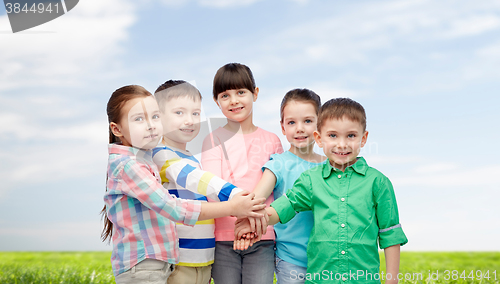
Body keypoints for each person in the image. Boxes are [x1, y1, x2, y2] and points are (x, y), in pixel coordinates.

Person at [100, 85, 267, 284]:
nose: (151, 125)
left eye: (154, 117)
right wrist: (236, 202)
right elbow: (183, 194)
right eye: (139, 119)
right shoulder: (151, 157)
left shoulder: (158, 158)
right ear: (116, 129)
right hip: (165, 261)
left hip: (189, 259)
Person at [236, 97, 408, 284]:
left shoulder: (379, 183)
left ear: (363, 138)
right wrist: (254, 222)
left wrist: (392, 281)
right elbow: (284, 207)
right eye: (333, 136)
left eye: (351, 135)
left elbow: (390, 234)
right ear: (319, 138)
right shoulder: (311, 180)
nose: (342, 144)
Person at [152, 80, 255, 284]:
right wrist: (234, 196)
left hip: (203, 260)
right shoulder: (160, 154)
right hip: (178, 261)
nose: (190, 120)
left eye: (196, 113)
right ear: (158, 117)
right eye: (179, 113)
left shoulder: (191, 157)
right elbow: (197, 179)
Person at [201, 63, 283, 284]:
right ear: (217, 102)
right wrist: (242, 217)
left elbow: (278, 188)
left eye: (241, 92)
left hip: (262, 237)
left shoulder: (272, 140)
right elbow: (211, 188)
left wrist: (252, 223)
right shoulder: (212, 140)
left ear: (255, 94)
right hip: (223, 240)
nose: (234, 100)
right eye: (225, 95)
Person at [237, 88, 326, 284]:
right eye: (292, 122)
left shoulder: (330, 166)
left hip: (326, 260)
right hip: (290, 259)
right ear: (283, 127)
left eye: (308, 121)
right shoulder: (278, 164)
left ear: (321, 124)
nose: (299, 128)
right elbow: (256, 200)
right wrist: (246, 223)